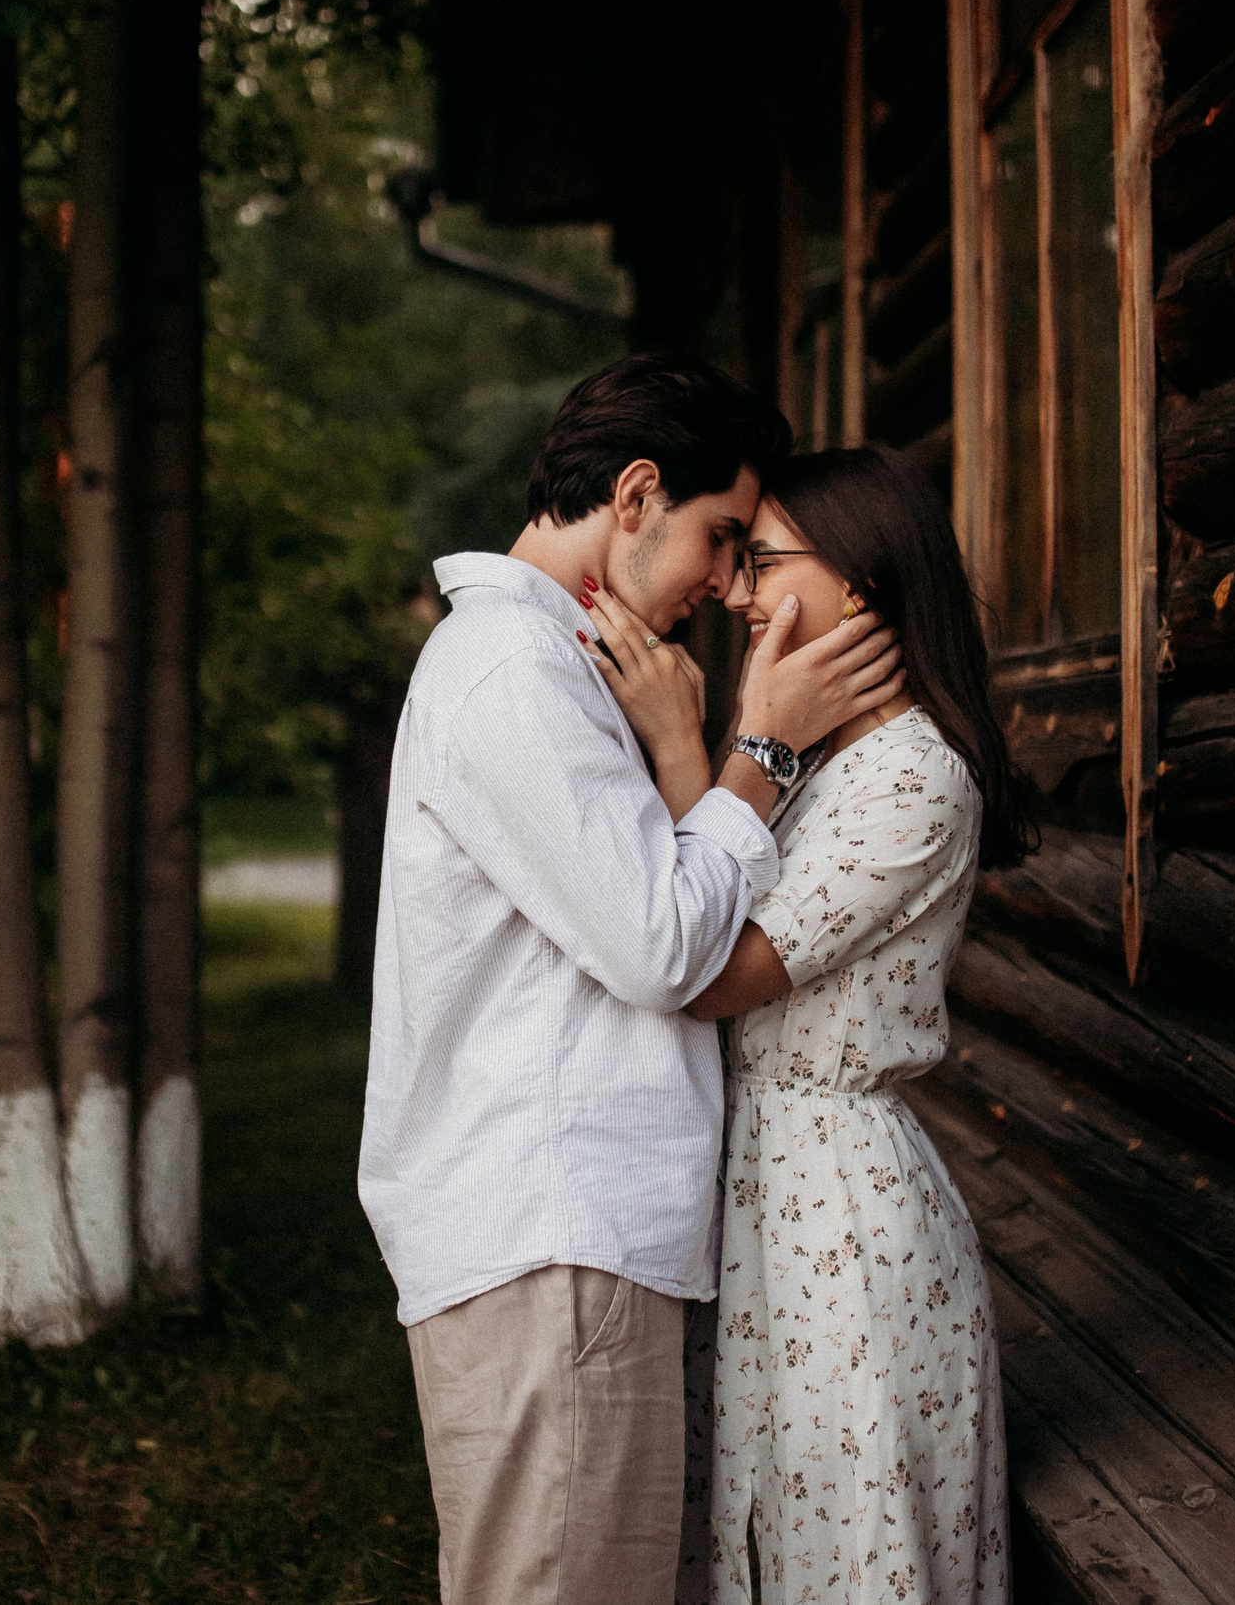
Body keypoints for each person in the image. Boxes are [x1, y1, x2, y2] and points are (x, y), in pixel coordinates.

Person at [359, 354, 910, 1605]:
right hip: (551, 1235)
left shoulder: (559, 662)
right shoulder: (517, 671)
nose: (725, 585)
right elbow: (664, 946)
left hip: (572, 1238)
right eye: (720, 538)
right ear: (637, 492)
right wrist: (759, 753)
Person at [586, 443, 1031, 1605]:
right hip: (765, 1195)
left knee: (847, 1557)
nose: (736, 590)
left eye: (765, 559)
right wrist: (747, 751)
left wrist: (701, 746)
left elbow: (718, 969)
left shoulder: (914, 777)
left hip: (841, 1217)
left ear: (863, 586)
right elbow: (711, 899)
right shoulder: (828, 765)